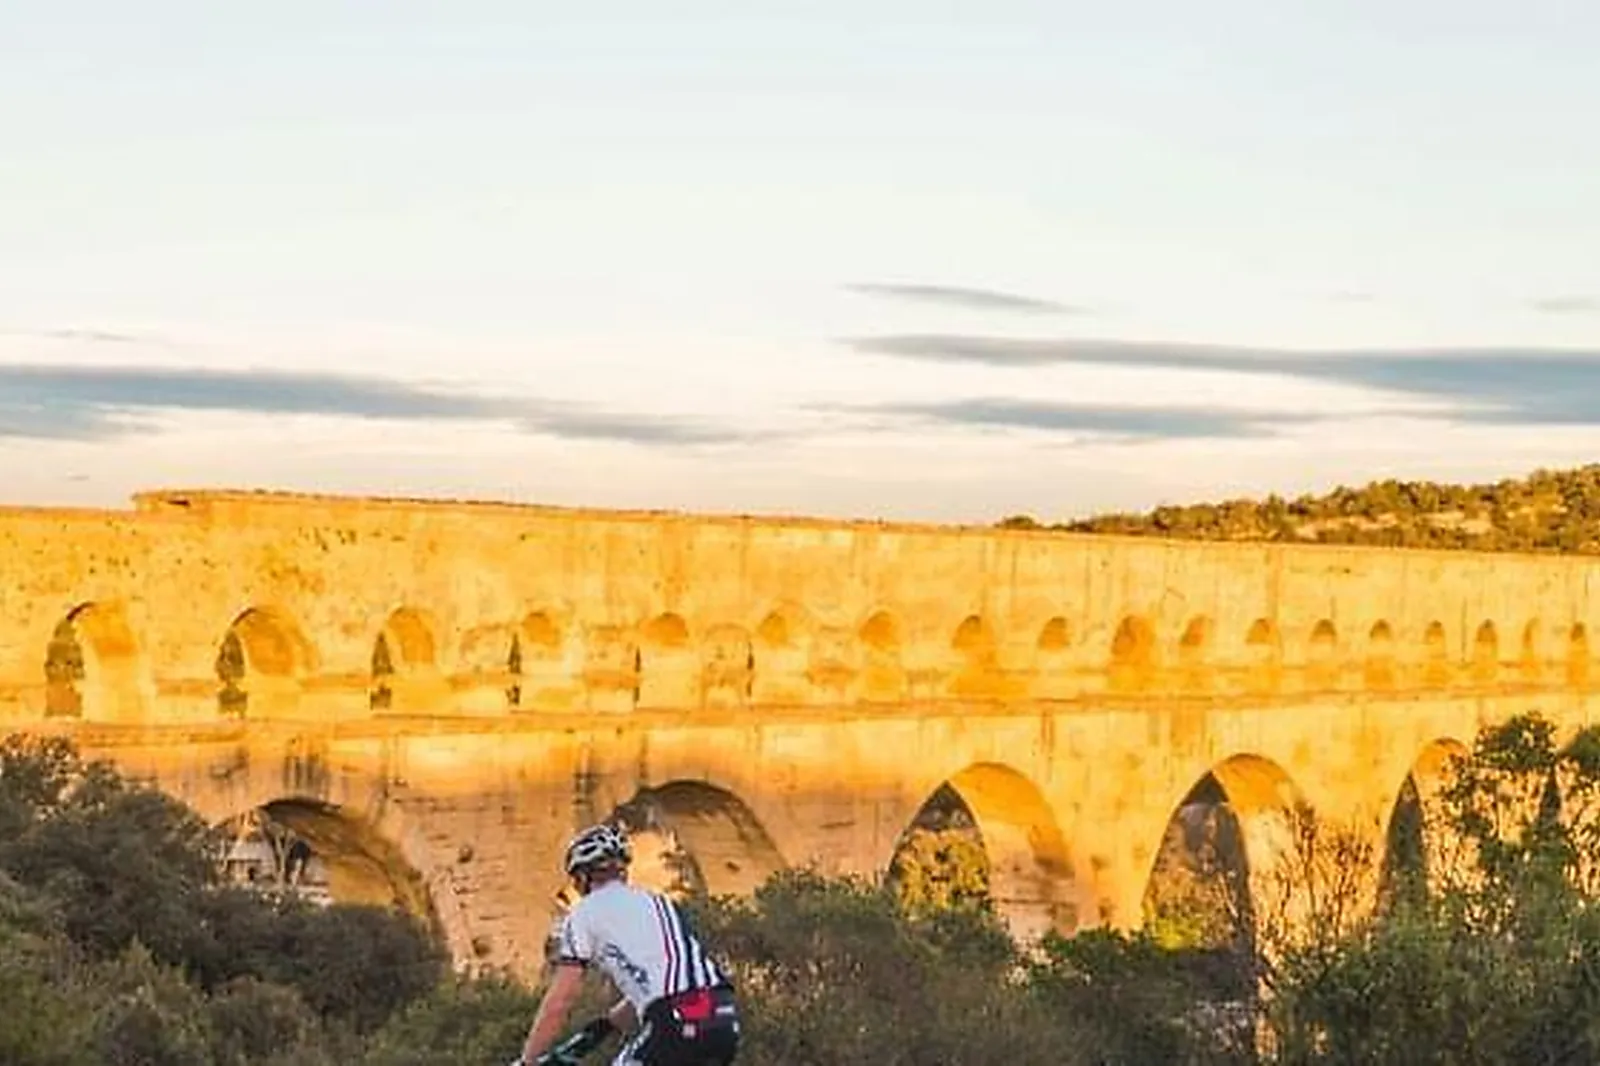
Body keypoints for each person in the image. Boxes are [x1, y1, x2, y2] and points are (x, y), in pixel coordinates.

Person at [512, 823, 741, 1066]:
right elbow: (663, 983)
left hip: (675, 1020)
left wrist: (528, 1060)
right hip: (723, 1017)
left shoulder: (583, 914)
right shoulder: (659, 902)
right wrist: (607, 1025)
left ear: (582, 877)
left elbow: (561, 1000)